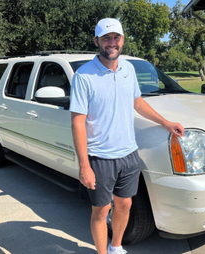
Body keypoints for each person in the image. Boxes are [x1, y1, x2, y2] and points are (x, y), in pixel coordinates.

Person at [70, 18, 184, 254]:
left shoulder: (128, 69)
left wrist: (166, 123)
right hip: (100, 157)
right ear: (96, 42)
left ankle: (116, 247)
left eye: (116, 38)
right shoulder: (83, 76)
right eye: (106, 38)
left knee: (125, 205)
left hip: (129, 153)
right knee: (101, 212)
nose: (112, 43)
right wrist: (84, 166)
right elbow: (78, 122)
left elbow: (137, 102)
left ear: (122, 40)